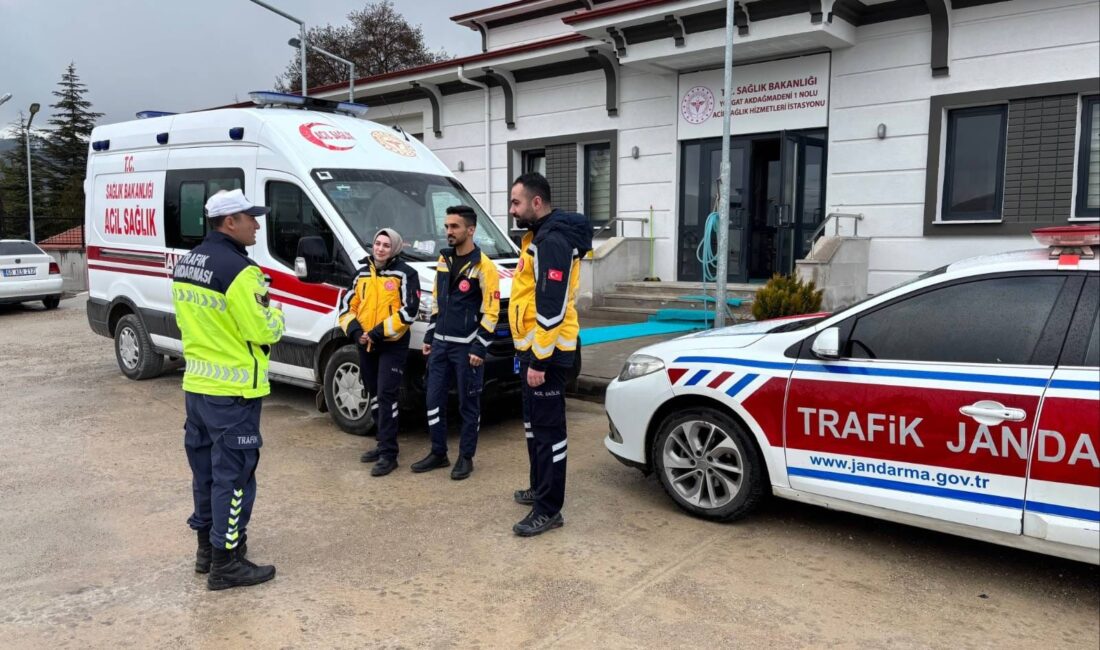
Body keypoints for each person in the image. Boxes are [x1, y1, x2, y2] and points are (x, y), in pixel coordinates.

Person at [173, 188, 285, 590]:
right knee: (235, 477)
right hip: (233, 391)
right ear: (229, 222)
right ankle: (227, 563)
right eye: (250, 217)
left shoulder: (188, 263)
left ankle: (206, 551)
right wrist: (276, 312)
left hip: (198, 386)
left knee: (204, 473)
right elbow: (261, 329)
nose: (257, 224)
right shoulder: (241, 271)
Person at [506, 173, 592, 537]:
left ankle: (549, 509)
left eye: (516, 202)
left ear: (536, 203)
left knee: (548, 433)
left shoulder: (552, 241)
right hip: (531, 350)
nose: (512, 209)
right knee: (533, 428)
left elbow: (552, 308)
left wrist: (539, 361)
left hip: (549, 355)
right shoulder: (536, 238)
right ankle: (538, 489)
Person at [414, 205, 500, 480]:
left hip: (466, 349)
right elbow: (438, 301)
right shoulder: (444, 260)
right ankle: (439, 453)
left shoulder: (484, 266)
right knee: (432, 400)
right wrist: (429, 335)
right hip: (440, 345)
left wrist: (480, 346)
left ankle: (466, 457)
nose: (448, 231)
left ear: (470, 230)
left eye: (454, 227)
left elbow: (492, 310)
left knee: (468, 404)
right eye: (447, 226)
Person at [337, 228, 420, 477]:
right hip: (365, 343)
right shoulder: (361, 274)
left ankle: (389, 453)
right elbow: (345, 307)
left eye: (386, 245)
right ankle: (381, 442)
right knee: (373, 392)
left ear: (394, 248)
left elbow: (409, 312)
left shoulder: (406, 274)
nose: (380, 248)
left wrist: (376, 332)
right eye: (377, 243)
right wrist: (355, 332)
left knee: (386, 395)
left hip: (391, 344)